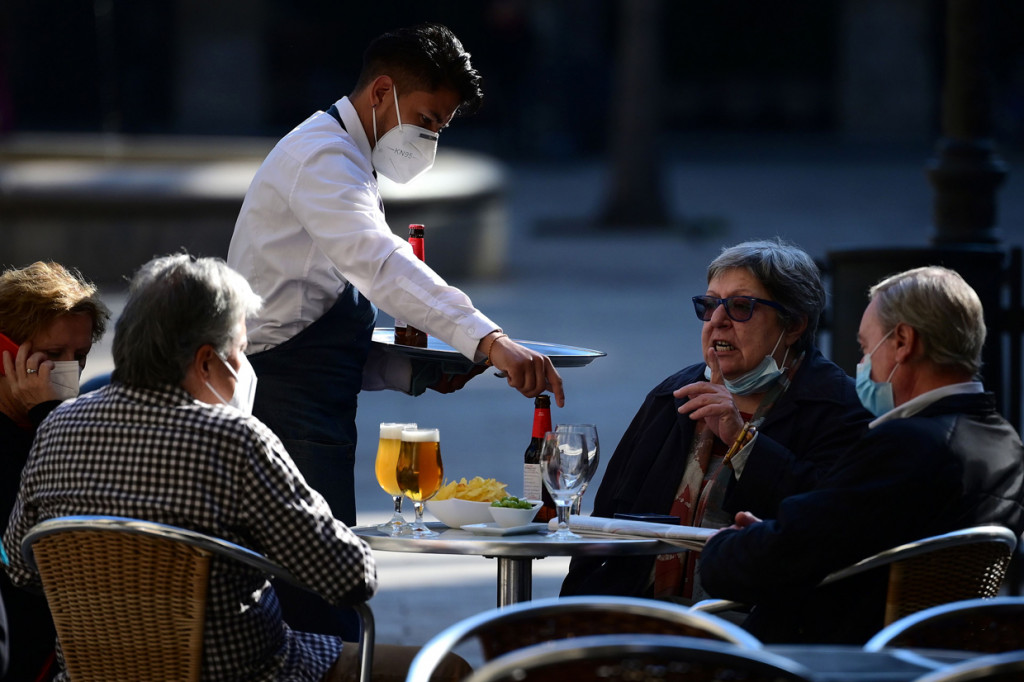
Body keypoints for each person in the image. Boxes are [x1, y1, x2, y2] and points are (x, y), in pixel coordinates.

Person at [2, 254, 468, 682]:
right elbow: (351, 578)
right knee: (448, 668)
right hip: (243, 672)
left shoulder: (55, 426)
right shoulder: (236, 439)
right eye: (241, 351)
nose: (245, 367)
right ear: (207, 360)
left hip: (93, 674)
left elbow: (21, 569)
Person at [227, 22, 564, 530]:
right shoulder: (323, 157)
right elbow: (381, 264)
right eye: (425, 121)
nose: (428, 140)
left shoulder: (345, 154)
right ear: (382, 92)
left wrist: (415, 370)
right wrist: (489, 340)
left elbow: (317, 322)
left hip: (308, 397)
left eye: (439, 129)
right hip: (286, 407)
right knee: (318, 569)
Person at [698, 265, 1024, 644]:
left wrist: (727, 546)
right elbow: (835, 533)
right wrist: (780, 536)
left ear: (902, 342)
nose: (863, 365)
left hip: (828, 655)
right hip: (936, 653)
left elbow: (784, 557)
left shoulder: (907, 445)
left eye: (866, 348)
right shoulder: (1006, 445)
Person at [561, 239, 872, 600]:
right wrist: (574, 607)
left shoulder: (841, 406)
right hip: (642, 611)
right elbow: (605, 522)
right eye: (710, 305)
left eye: (741, 307)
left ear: (794, 325)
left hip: (754, 618)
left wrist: (744, 442)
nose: (718, 321)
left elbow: (831, 522)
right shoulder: (673, 395)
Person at [0, 260, 109, 682]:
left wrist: (50, 416)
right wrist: (50, 417)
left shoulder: (76, 422)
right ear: (9, 353)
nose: (70, 370)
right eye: (52, 356)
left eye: (80, 357)